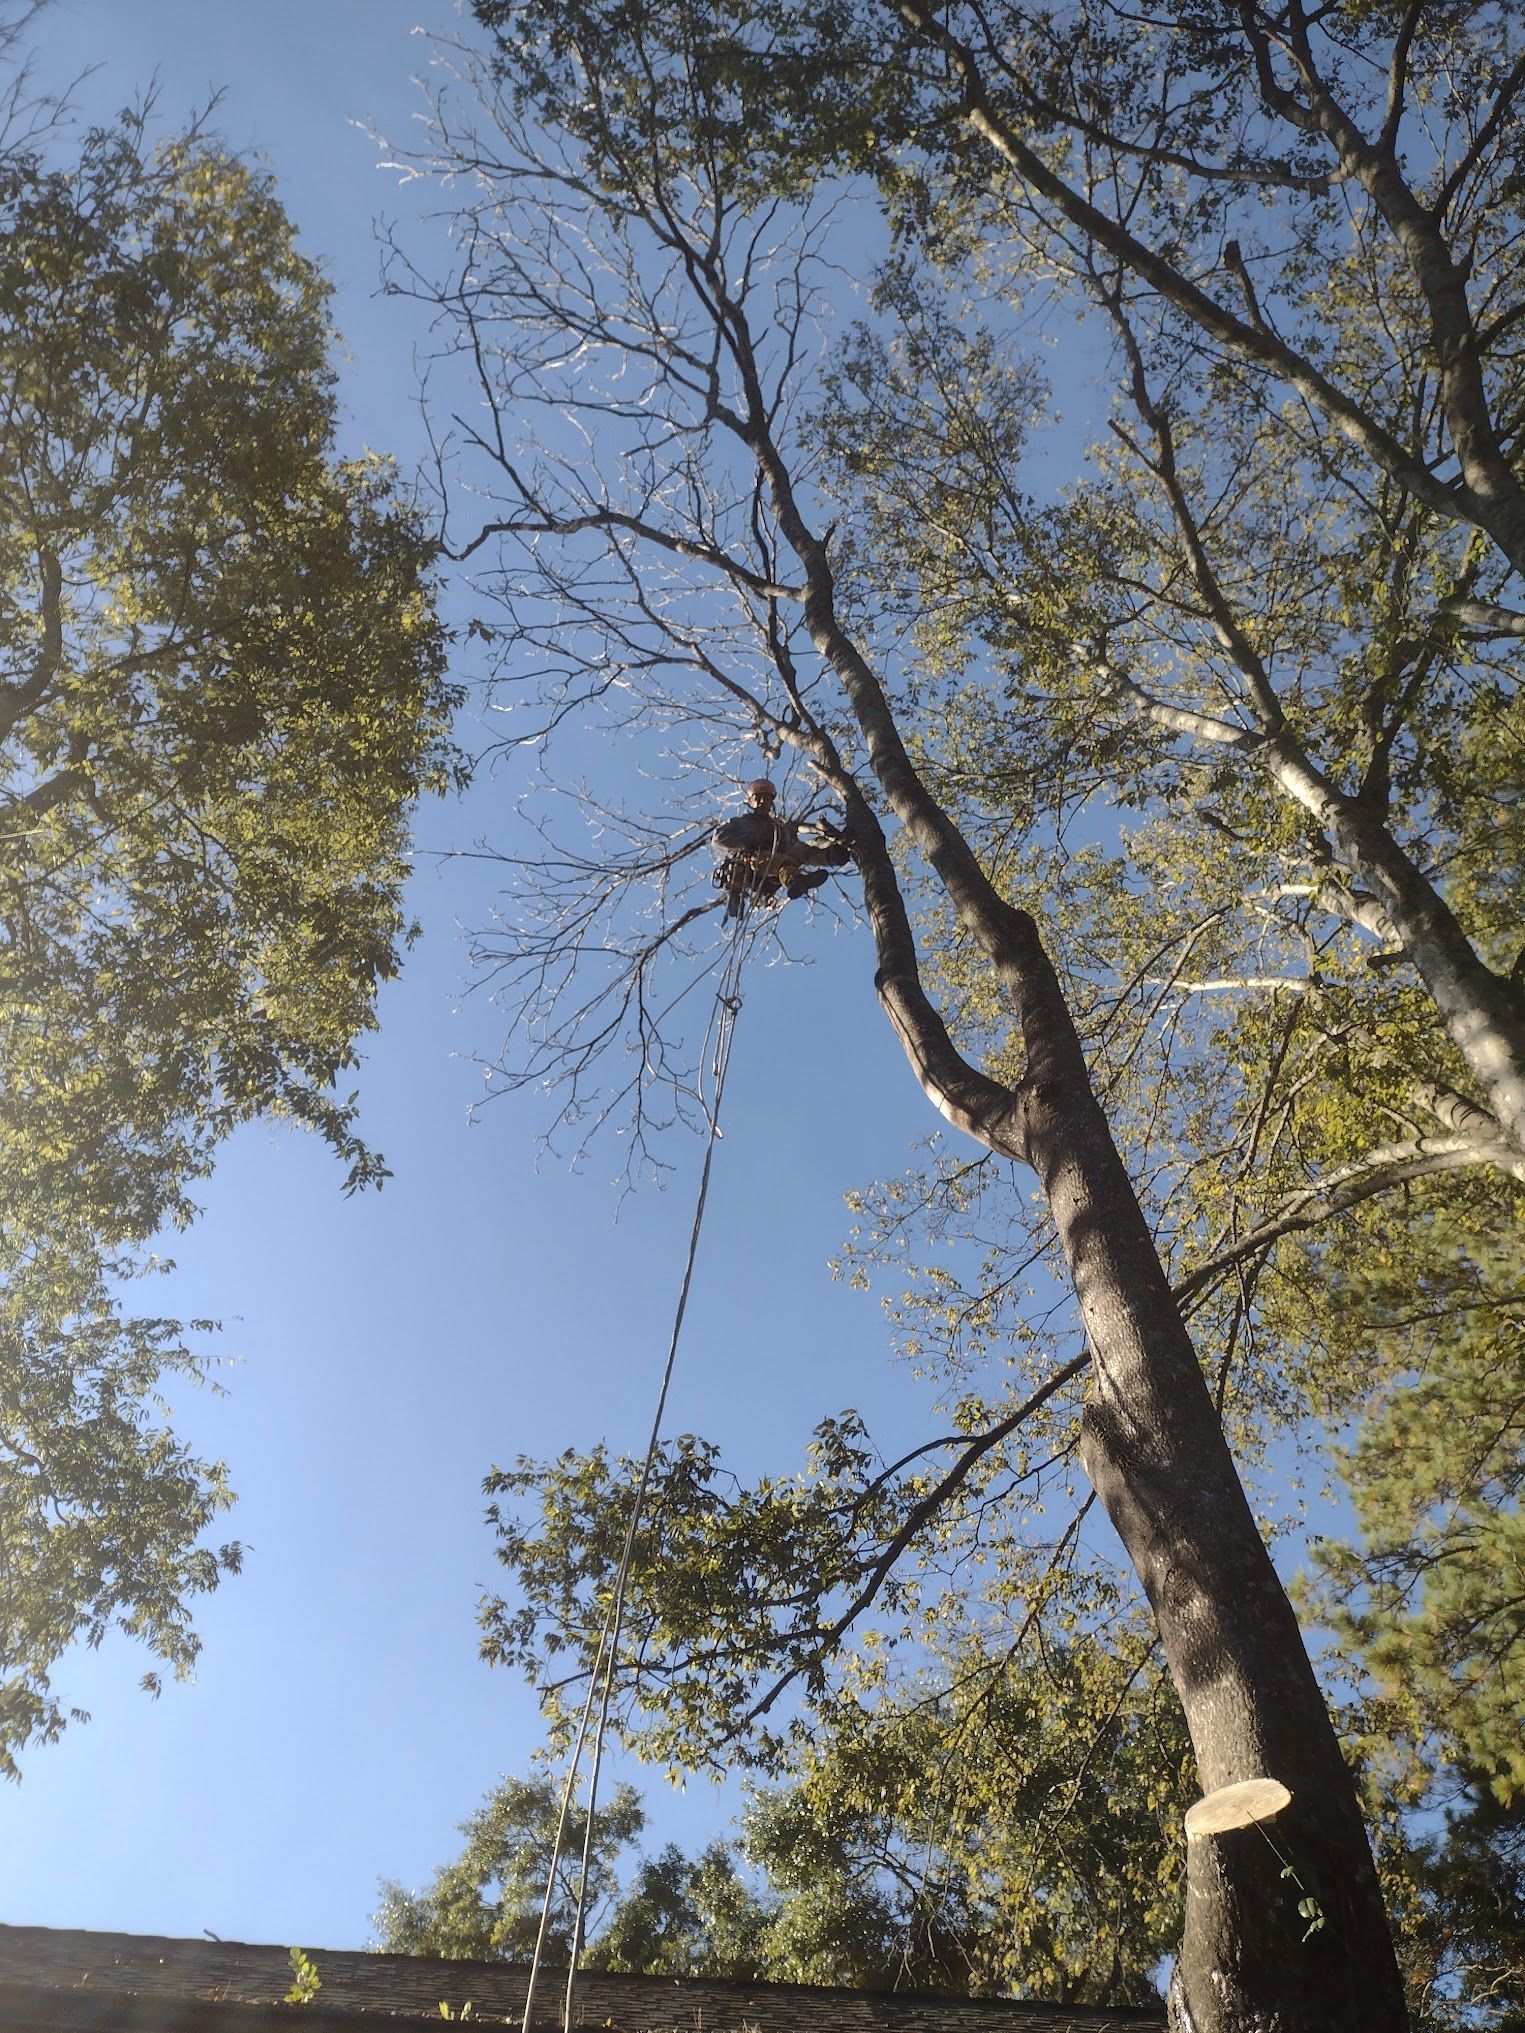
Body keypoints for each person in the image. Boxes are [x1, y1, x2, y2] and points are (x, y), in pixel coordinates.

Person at [711, 778, 853, 919]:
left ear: (771, 802)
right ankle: (794, 880)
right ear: (750, 801)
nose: (762, 801)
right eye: (758, 798)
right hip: (753, 862)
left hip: (775, 870)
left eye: (766, 798)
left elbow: (791, 848)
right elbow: (718, 840)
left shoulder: (778, 827)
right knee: (778, 861)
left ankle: (832, 856)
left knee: (800, 850)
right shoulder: (741, 823)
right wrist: (753, 840)